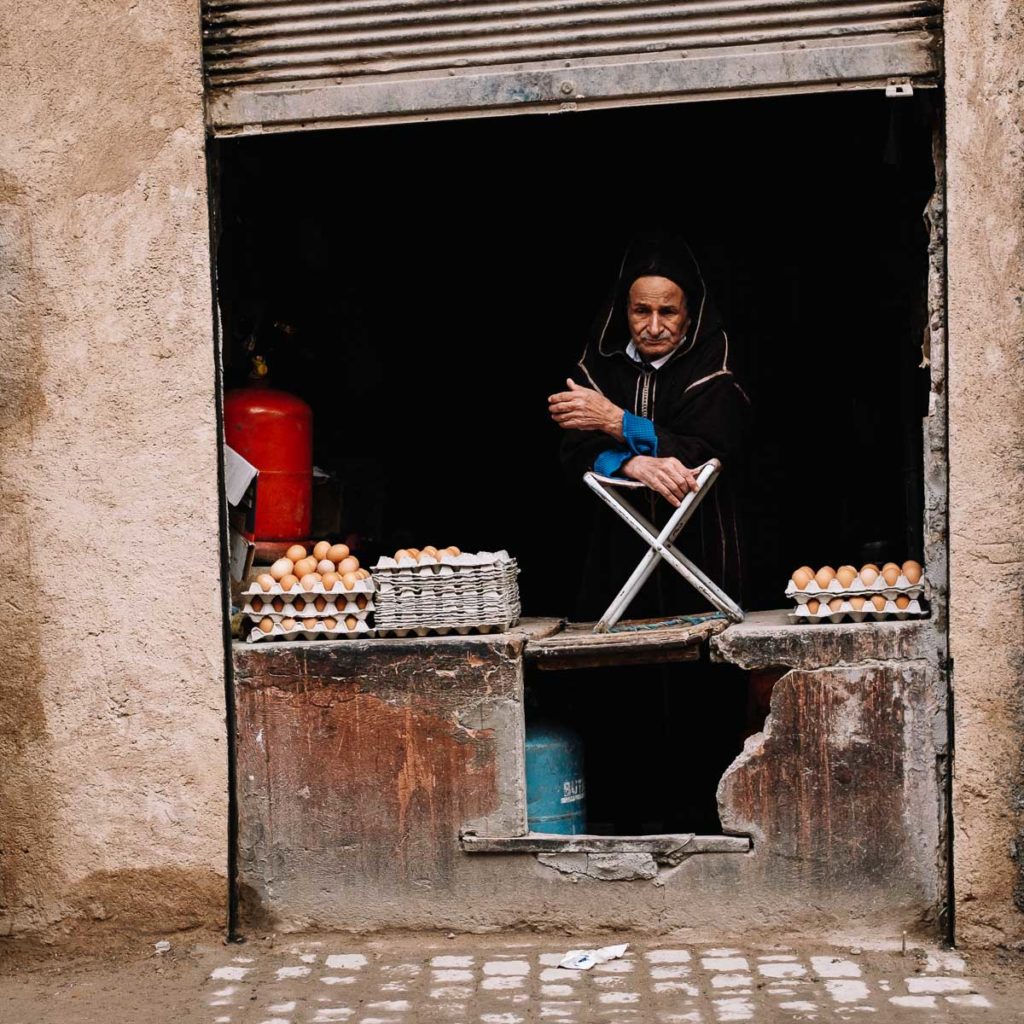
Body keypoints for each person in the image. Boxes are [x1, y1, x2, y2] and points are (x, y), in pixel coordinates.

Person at [548, 232, 750, 621]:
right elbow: (574, 449)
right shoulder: (599, 364)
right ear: (624, 310)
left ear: (690, 312)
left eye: (668, 312)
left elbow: (705, 449)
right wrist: (630, 464)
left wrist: (615, 421)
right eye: (641, 311)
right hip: (619, 545)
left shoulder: (714, 365)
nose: (654, 326)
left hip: (699, 543)